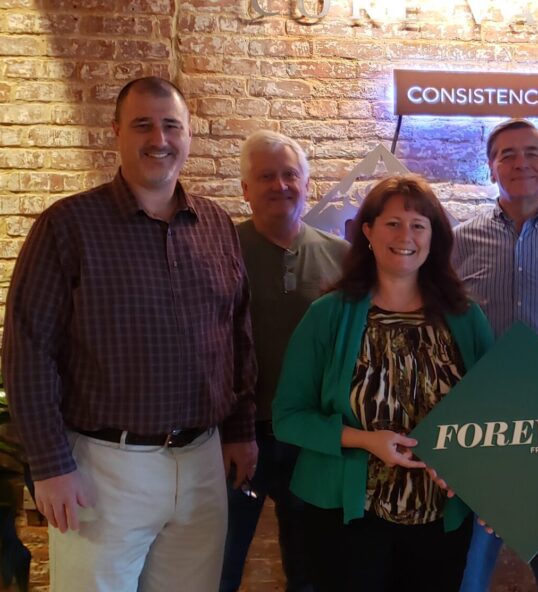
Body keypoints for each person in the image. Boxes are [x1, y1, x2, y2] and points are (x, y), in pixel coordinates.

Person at [1, 76, 257, 591]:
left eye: (171, 126)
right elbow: (27, 351)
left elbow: (237, 337)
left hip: (203, 461)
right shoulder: (67, 226)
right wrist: (50, 466)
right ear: (116, 131)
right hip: (103, 468)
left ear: (189, 136)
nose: (158, 139)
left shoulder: (215, 224)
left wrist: (240, 430)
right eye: (143, 125)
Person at [273, 174, 494, 591]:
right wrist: (364, 439)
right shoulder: (327, 315)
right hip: (345, 516)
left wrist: (473, 470)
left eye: (418, 225)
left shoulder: (466, 318)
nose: (405, 235)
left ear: (434, 237)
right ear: (368, 231)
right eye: (393, 223)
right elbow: (288, 417)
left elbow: (491, 415)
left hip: (440, 518)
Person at [220, 130, 349, 592]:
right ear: (245, 190)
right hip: (236, 438)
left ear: (307, 182)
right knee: (220, 564)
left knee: (313, 571)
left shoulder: (345, 258)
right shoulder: (220, 252)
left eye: (290, 174)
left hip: (313, 440)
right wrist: (233, 429)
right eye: (266, 176)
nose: (280, 185)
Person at [453, 118, 538, 591]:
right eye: (507, 154)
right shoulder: (459, 240)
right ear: (490, 167)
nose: (520, 162)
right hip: (481, 422)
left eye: (531, 152)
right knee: (469, 567)